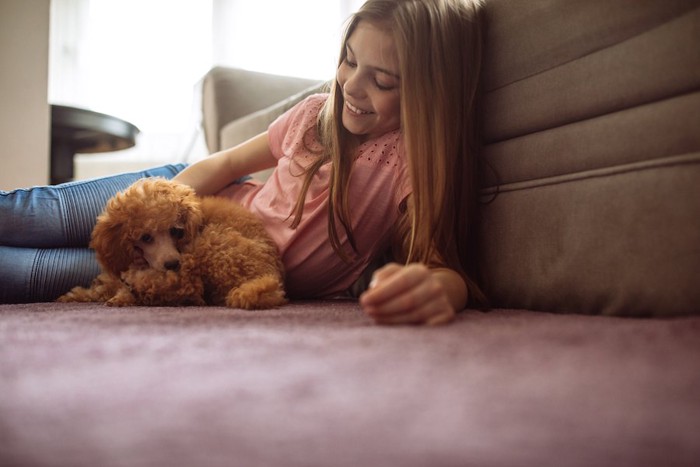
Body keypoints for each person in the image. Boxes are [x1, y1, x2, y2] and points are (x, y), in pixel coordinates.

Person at [0, 0, 485, 325]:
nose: (351, 86)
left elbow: (445, 268)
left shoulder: (410, 164)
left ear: (427, 93)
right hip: (181, 201)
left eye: (383, 80)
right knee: (30, 215)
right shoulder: (314, 114)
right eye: (349, 60)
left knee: (27, 275)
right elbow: (229, 162)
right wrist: (166, 204)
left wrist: (440, 291)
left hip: (197, 268)